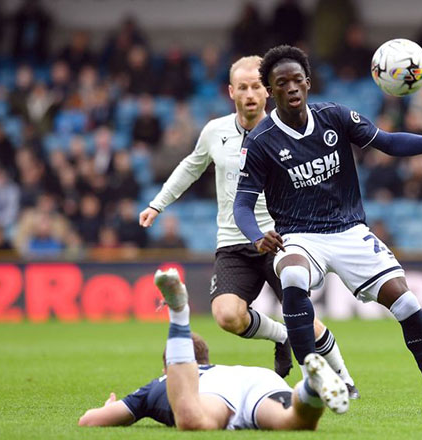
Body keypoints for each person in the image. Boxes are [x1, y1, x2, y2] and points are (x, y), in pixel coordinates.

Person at [233, 45, 422, 415]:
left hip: (349, 230)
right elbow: (242, 205)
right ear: (270, 91)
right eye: (282, 83)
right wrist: (256, 235)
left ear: (308, 83)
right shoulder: (261, 141)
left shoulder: (335, 116)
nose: (292, 87)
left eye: (298, 80)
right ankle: (312, 382)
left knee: (406, 301)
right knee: (292, 272)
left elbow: (387, 143)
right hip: (299, 235)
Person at [139, 56, 358, 397]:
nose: (250, 93)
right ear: (231, 92)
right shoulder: (215, 131)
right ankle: (281, 335)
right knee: (227, 315)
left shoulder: (288, 131)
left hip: (280, 238)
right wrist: (157, 204)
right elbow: (190, 167)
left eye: (256, 86)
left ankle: (345, 380)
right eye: (243, 87)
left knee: (306, 320)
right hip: (233, 241)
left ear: (268, 90)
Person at [78, 268, 348, 430]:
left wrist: (107, 408)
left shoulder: (159, 383)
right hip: (260, 379)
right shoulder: (221, 369)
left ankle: (179, 315)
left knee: (194, 421)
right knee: (294, 423)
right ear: (205, 360)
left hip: (215, 395)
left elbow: (89, 422)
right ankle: (310, 388)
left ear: (171, 368)